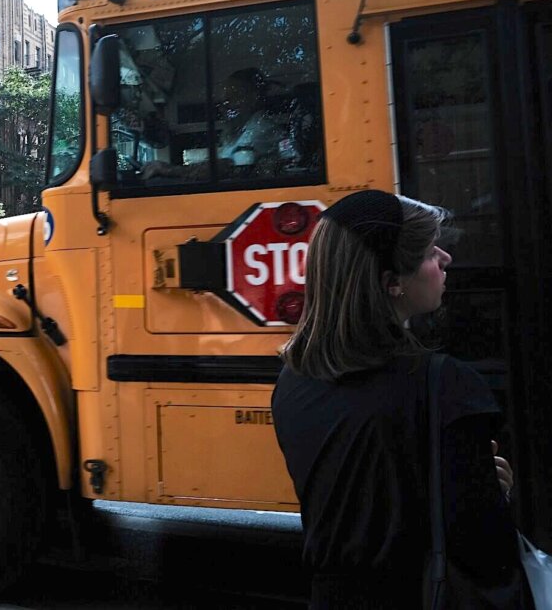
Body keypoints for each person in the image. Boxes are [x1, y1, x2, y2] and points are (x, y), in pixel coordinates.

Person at [271, 190, 531, 609]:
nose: (445, 258)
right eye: (429, 252)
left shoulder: (293, 383)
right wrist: (494, 492)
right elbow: (483, 546)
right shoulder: (445, 385)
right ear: (392, 283)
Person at [141, 67, 292, 181]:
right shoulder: (237, 132)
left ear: (254, 98)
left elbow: (226, 167)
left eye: (233, 98)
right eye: (224, 100)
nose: (225, 105)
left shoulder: (263, 128)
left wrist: (171, 170)